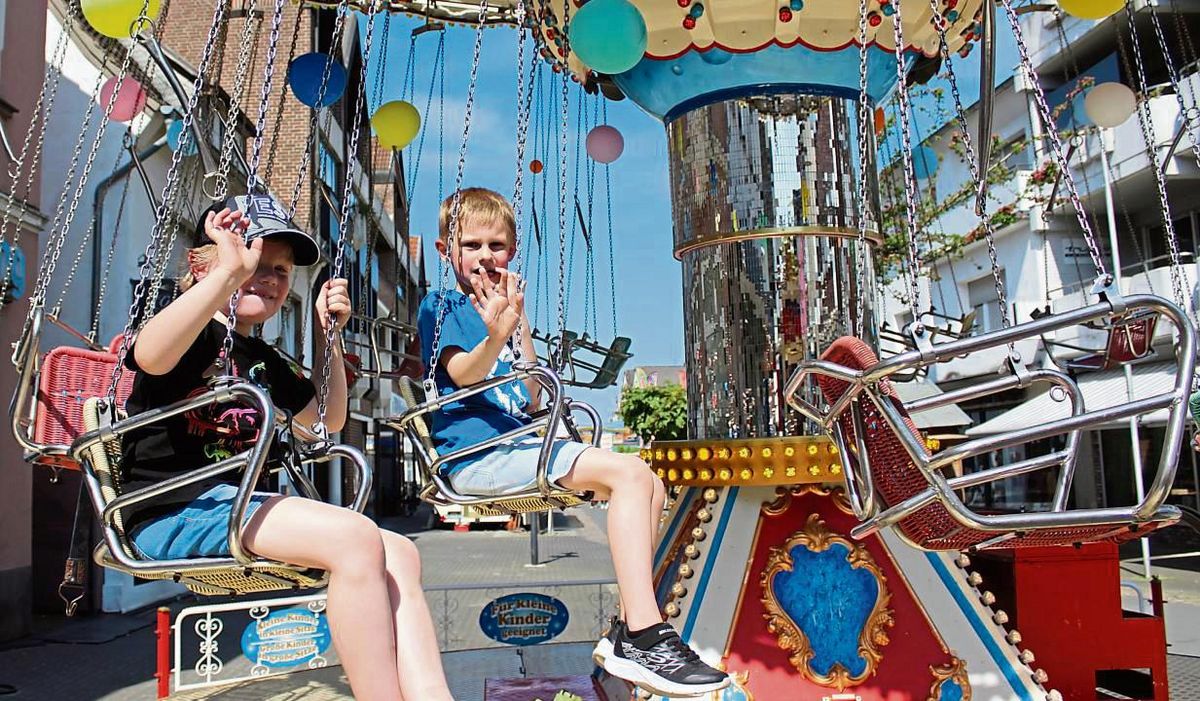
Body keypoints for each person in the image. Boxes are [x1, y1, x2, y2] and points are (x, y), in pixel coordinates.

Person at [122, 194, 453, 701]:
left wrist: (328, 336)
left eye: (279, 269)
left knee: (401, 552)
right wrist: (228, 274)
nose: (269, 277)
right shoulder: (186, 325)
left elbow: (328, 418)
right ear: (202, 262)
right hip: (172, 509)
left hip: (232, 509)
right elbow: (150, 356)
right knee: (354, 539)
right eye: (253, 256)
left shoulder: (261, 358)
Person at [418, 188, 729, 697]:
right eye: (470, 244)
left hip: (519, 444)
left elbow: (532, 392)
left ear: (512, 252)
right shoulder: (443, 305)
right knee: (628, 474)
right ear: (444, 250)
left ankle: (632, 625)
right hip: (475, 455)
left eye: (495, 245)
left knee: (648, 481)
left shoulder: (509, 311)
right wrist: (496, 335)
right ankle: (645, 635)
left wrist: (519, 333)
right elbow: (462, 373)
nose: (483, 257)